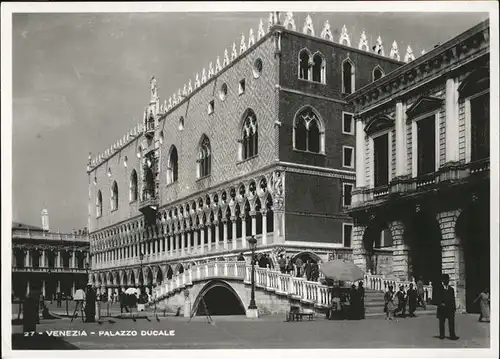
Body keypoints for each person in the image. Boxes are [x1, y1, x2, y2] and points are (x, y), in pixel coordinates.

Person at [435, 274, 459, 340]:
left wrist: (454, 308)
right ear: (443, 280)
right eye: (445, 279)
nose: (447, 281)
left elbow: (453, 299)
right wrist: (440, 303)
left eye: (447, 279)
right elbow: (437, 298)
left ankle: (452, 335)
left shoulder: (451, 289)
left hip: (450, 309)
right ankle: (442, 335)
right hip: (442, 308)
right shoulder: (439, 289)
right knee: (442, 322)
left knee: (451, 322)